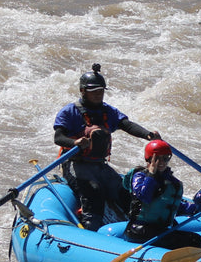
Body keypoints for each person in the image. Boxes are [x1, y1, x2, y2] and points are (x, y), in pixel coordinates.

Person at [53, 63, 161, 231]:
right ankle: (91, 231)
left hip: (99, 165)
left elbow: (126, 125)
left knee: (124, 192)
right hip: (75, 164)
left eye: (101, 91)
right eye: (94, 91)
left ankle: (138, 229)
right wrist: (75, 143)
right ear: (83, 91)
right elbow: (58, 137)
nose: (98, 94)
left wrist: (147, 135)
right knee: (93, 192)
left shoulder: (107, 111)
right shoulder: (70, 111)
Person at [122, 139, 201, 249]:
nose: (161, 162)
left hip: (160, 230)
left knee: (196, 239)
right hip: (139, 230)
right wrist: (151, 175)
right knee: (193, 241)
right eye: (156, 158)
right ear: (149, 158)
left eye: (165, 158)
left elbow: (173, 205)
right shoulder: (140, 176)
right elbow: (144, 197)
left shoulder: (172, 182)